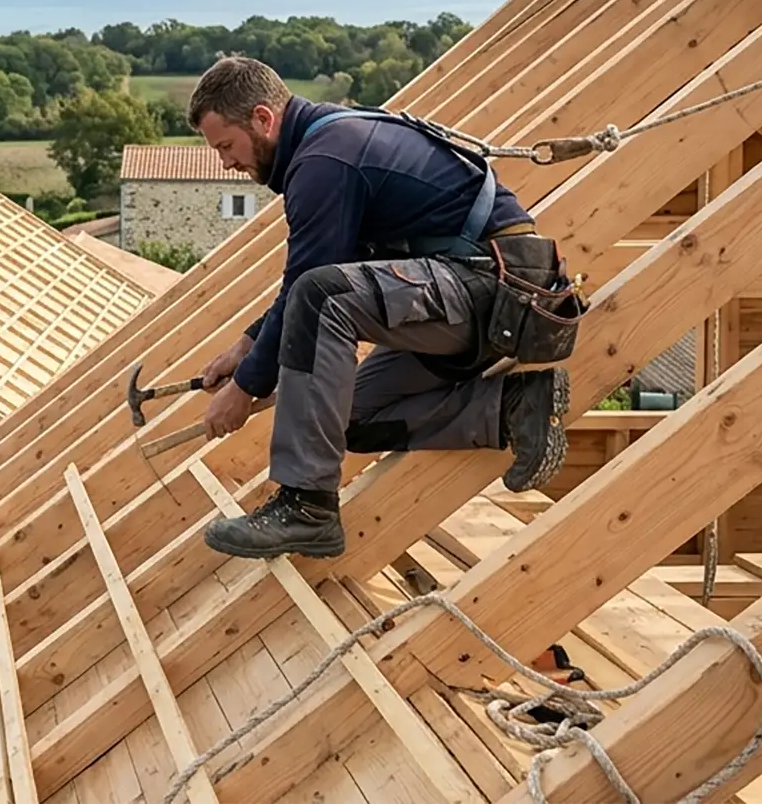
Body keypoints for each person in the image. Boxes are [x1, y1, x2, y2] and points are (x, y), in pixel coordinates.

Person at [187, 57, 580, 560]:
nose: (226, 163)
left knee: (319, 293)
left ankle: (307, 505)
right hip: (473, 295)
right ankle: (511, 406)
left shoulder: (325, 161)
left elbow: (311, 287)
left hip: (498, 289)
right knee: (346, 418)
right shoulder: (332, 145)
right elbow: (318, 274)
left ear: (263, 119)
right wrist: (246, 346)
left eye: (226, 146)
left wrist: (244, 390)